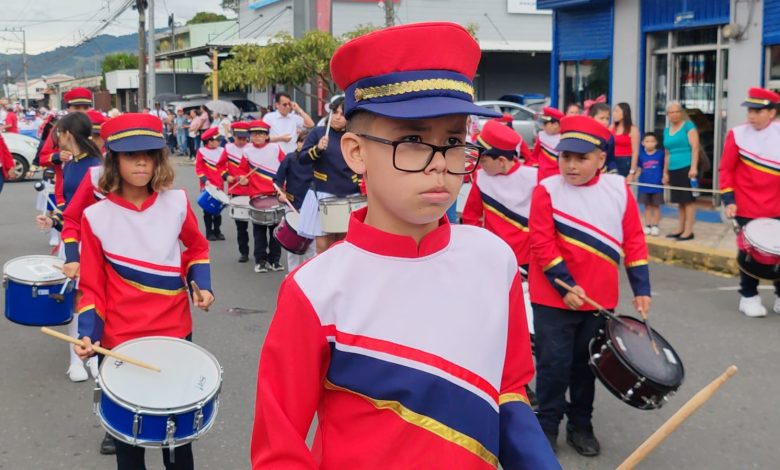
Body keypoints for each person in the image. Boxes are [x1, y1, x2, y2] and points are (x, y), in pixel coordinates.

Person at [251, 22, 559, 469]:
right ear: (356, 152)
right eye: (413, 140)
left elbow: (509, 387)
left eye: (453, 141)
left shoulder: (495, 260)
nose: (440, 164)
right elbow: (279, 450)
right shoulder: (315, 289)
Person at [74, 113, 214, 470]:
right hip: (120, 342)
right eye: (130, 155)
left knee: (177, 444)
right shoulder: (96, 217)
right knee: (129, 446)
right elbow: (91, 286)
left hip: (175, 335)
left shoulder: (177, 203)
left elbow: (196, 249)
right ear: (113, 160)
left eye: (149, 154)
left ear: (158, 159)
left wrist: (202, 285)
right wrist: (88, 335)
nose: (141, 162)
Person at [529, 115, 651, 457]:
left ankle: (581, 425)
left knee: (587, 366)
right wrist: (565, 285)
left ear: (601, 158)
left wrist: (641, 287)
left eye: (581, 158)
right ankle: (547, 427)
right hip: (552, 298)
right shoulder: (546, 189)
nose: (570, 165)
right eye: (565, 156)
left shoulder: (617, 190)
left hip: (598, 300)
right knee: (553, 367)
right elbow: (541, 243)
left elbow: (634, 240)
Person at [34, 112, 104, 384]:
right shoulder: (70, 164)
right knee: (75, 296)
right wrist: (53, 218)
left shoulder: (97, 166)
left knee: (95, 295)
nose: (56, 137)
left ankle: (96, 355)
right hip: (73, 238)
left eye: (58, 132)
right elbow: (68, 203)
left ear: (67, 134)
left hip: (95, 239)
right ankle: (76, 358)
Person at [719, 87, 780, 318]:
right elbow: (726, 169)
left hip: (777, 206)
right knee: (750, 254)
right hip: (746, 205)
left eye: (757, 111)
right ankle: (748, 296)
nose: (751, 115)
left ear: (771, 113)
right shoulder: (737, 134)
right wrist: (728, 199)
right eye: (750, 110)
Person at [298, 96, 362, 253]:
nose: (337, 117)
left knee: (343, 245)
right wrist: (317, 149)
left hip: (349, 195)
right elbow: (302, 159)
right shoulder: (318, 133)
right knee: (323, 246)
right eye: (335, 112)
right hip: (324, 193)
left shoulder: (355, 136)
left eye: (342, 113)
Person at [238, 119, 286, 273]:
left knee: (275, 231)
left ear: (267, 136)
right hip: (257, 196)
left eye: (261, 134)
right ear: (250, 136)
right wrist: (242, 179)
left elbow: (285, 166)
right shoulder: (247, 151)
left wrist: (284, 187)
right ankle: (260, 260)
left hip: (275, 194)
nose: (257, 136)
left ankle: (275, 260)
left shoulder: (275, 148)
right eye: (254, 134)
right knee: (258, 232)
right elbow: (241, 171)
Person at [273, 131, 315, 271]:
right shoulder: (289, 159)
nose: (303, 145)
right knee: (292, 245)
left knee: (311, 245)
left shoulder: (318, 161)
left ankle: (309, 276)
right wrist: (280, 195)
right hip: (292, 205)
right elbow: (277, 181)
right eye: (301, 141)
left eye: (307, 142)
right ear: (297, 143)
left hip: (312, 207)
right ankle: (292, 276)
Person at [662, 101, 699, 241]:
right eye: (671, 112)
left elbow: (695, 148)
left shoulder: (688, 126)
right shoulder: (666, 130)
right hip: (673, 168)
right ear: (667, 114)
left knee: (688, 200)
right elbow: (667, 153)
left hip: (687, 167)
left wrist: (694, 167)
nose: (675, 114)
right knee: (680, 200)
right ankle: (680, 228)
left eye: (677, 111)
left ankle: (689, 231)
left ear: (681, 112)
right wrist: (665, 172)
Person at [221, 121, 252, 262]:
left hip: (254, 191)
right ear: (233, 135)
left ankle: (261, 255)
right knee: (241, 226)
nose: (242, 141)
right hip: (237, 190)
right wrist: (227, 177)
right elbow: (219, 166)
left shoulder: (252, 148)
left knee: (260, 227)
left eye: (245, 138)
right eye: (239, 138)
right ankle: (244, 252)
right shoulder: (227, 148)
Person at [195, 127, 228, 241]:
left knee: (218, 210)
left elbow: (224, 167)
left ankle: (217, 231)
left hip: (219, 185)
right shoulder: (201, 151)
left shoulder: (222, 150)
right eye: (216, 140)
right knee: (207, 210)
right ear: (209, 141)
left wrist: (227, 177)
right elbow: (199, 168)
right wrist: (205, 180)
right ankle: (209, 232)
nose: (219, 142)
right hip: (207, 185)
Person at [636, 131, 664, 236]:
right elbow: (639, 168)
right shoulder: (641, 156)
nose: (649, 143)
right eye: (647, 141)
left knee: (656, 206)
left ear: (656, 142)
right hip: (644, 186)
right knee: (647, 207)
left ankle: (655, 226)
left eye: (652, 141)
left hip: (657, 185)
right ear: (643, 143)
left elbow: (664, 168)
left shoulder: (660, 155)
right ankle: (647, 225)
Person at [531, 106, 564, 180]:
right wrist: (535, 167)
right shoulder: (541, 136)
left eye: (545, 123)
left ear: (555, 124)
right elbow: (535, 155)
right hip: (542, 173)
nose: (543, 126)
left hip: (558, 175)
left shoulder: (564, 138)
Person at [611, 102, 640, 179]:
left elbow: (635, 152)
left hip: (625, 160)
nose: (614, 113)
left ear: (624, 113)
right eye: (614, 111)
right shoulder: (612, 128)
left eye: (617, 111)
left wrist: (632, 171)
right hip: (612, 160)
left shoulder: (633, 129)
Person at [588, 102, 617, 173]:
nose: (605, 122)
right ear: (591, 118)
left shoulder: (610, 137)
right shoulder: (585, 135)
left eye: (607, 119)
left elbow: (611, 158)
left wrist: (612, 170)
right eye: (602, 118)